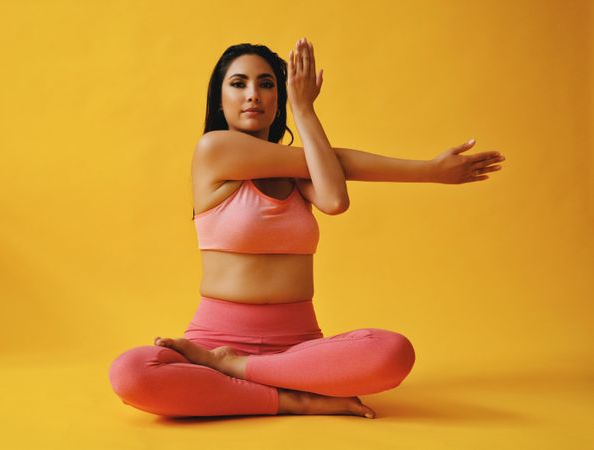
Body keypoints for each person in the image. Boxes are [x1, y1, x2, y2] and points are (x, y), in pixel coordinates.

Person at [108, 37, 505, 419]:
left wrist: (306, 109)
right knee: (131, 373)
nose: (253, 94)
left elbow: (335, 200)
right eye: (238, 83)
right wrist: (428, 172)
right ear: (221, 98)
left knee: (392, 353)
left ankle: (236, 372)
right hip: (213, 339)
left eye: (267, 84)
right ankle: (293, 400)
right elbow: (338, 163)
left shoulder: (301, 167)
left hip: (298, 350)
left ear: (280, 98)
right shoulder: (214, 149)